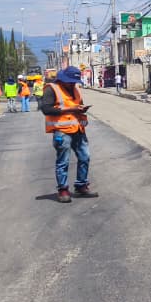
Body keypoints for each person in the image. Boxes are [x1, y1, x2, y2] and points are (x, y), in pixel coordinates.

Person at [40, 66, 97, 203]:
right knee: (63, 161)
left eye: (74, 81)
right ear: (62, 78)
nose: (72, 83)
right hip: (62, 131)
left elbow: (79, 105)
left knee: (85, 157)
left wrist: (82, 112)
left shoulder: (76, 88)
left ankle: (81, 185)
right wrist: (70, 109)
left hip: (78, 129)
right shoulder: (51, 89)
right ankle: (63, 189)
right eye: (70, 81)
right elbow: (46, 109)